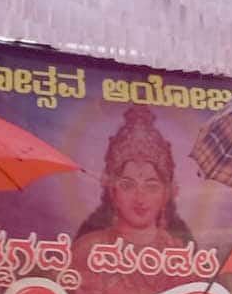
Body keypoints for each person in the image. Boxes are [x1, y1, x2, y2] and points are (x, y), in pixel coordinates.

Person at [74, 105, 196, 255]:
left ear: (166, 193)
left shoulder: (178, 254)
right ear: (112, 191)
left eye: (151, 187)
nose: (140, 199)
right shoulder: (87, 250)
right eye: (127, 186)